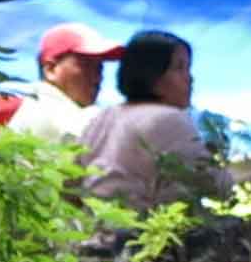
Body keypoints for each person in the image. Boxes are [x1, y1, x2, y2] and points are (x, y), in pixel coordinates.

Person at [80, 30, 233, 211]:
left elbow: (71, 182)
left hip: (91, 231)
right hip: (137, 235)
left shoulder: (104, 116)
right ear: (152, 74)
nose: (190, 78)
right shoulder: (169, 119)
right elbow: (218, 186)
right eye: (179, 68)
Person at [4, 21, 120, 147]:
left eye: (99, 67)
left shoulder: (38, 106)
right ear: (51, 70)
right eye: (86, 65)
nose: (97, 77)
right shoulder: (49, 111)